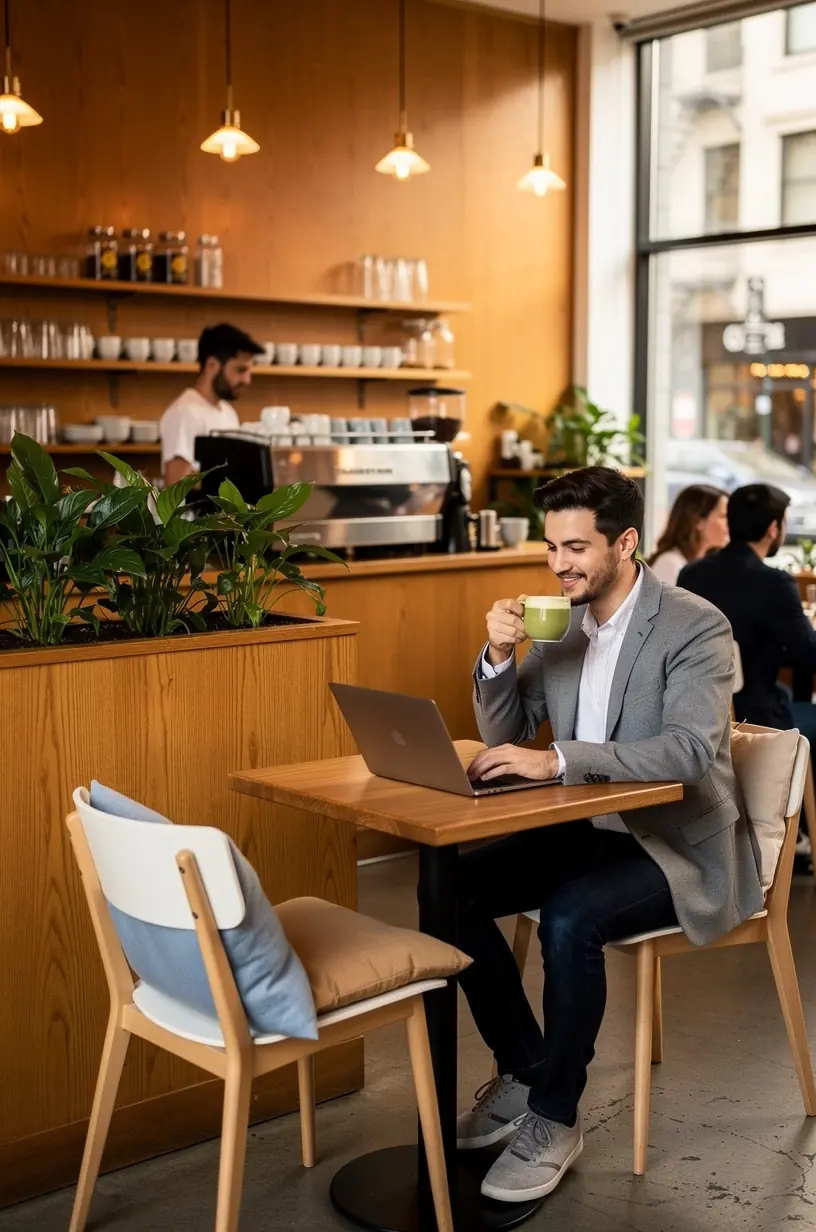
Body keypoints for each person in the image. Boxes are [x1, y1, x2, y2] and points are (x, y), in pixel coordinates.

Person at [455, 466, 762, 1205]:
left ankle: (555, 1117)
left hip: (673, 840)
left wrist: (556, 760)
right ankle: (528, 1068)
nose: (559, 564)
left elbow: (688, 752)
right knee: (450, 890)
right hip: (584, 826)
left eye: (576, 548)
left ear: (624, 544)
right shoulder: (563, 620)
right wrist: (498, 658)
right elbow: (506, 730)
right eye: (551, 547)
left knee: (570, 919)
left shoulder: (695, 625)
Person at [678, 483, 816, 736]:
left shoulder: (691, 574)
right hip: (757, 720)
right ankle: (795, 760)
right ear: (773, 529)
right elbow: (808, 654)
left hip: (697, 712)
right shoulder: (775, 583)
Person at [159, 323, 263, 487]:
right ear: (212, 365)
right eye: (240, 370)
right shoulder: (184, 413)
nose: (247, 380)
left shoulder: (228, 412)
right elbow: (175, 486)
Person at [647, 484, 729, 585]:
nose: (731, 523)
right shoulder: (670, 564)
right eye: (724, 516)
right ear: (698, 521)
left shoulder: (703, 564)